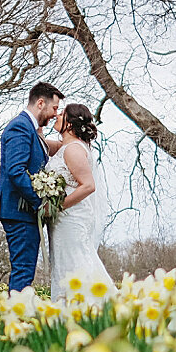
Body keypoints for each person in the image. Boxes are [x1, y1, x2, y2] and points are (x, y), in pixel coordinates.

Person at [0, 82, 64, 292]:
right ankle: (14, 321)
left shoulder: (31, 129)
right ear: (41, 103)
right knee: (23, 270)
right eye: (54, 108)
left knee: (25, 270)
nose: (54, 114)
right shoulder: (20, 126)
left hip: (22, 212)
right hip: (19, 211)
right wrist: (41, 202)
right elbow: (16, 171)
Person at [43, 103, 114, 297]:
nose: (57, 115)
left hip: (71, 217)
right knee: (66, 263)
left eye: (62, 114)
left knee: (75, 261)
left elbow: (89, 185)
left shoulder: (73, 150)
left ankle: (91, 306)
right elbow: (41, 142)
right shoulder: (65, 147)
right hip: (65, 219)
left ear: (70, 123)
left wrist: (57, 206)